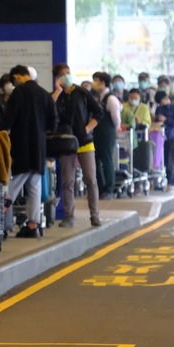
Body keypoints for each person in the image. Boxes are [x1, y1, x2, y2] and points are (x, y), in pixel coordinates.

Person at [0, 64, 57, 237]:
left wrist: (0, 131)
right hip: (39, 147)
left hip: (21, 146)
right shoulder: (44, 93)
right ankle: (33, 225)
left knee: (12, 186)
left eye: (13, 80)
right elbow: (53, 121)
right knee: (35, 187)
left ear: (17, 76)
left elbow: (8, 119)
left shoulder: (19, 92)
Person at [51, 64, 101, 228]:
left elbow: (98, 112)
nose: (66, 76)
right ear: (57, 78)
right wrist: (57, 91)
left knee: (90, 179)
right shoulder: (55, 96)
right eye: (62, 74)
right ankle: (68, 216)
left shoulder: (81, 92)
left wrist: (88, 127)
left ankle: (94, 215)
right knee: (67, 181)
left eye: (68, 73)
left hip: (85, 141)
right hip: (65, 142)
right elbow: (48, 111)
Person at [91, 71, 122, 199]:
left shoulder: (111, 99)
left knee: (107, 160)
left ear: (103, 83)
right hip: (96, 132)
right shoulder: (98, 97)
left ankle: (109, 189)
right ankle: (100, 187)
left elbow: (116, 119)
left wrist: (115, 129)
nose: (94, 83)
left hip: (107, 132)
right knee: (96, 160)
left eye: (96, 81)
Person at [155, 90, 174, 188]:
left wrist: (166, 119)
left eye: (162, 100)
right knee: (165, 157)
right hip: (162, 136)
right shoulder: (159, 109)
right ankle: (168, 177)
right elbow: (156, 121)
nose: (161, 103)